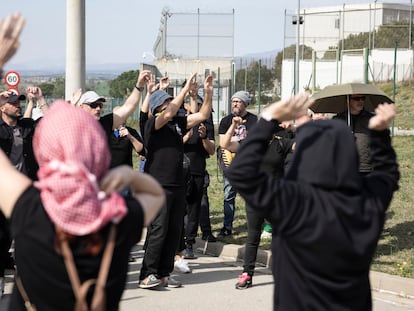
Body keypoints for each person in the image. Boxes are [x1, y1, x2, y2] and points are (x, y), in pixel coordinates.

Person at [225, 93, 400, 310]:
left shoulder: (291, 203)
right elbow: (388, 175)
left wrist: (268, 118)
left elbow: (240, 172)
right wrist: (380, 135)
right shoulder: (365, 203)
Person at [0, 100, 165, 310]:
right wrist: (127, 175)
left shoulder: (27, 207)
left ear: (42, 148)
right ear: (99, 149)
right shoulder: (120, 217)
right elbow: (156, 194)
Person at [139, 73, 213, 289]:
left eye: (170, 101)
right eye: (165, 102)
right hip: (158, 185)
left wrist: (207, 93)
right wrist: (183, 90)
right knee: (158, 230)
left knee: (173, 232)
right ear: (156, 108)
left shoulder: (177, 123)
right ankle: (147, 274)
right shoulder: (153, 124)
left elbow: (202, 115)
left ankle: (163, 274)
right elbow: (170, 111)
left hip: (178, 184)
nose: (171, 105)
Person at [235, 125, 294, 289]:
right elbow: (227, 144)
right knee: (253, 238)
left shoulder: (281, 144)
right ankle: (247, 274)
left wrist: (297, 128)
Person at [0, 11, 25, 300]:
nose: (16, 104)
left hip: (19, 191)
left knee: (14, 235)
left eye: (18, 101)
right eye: (11, 101)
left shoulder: (26, 127)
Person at [217, 90, 257, 237]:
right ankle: (227, 227)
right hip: (230, 165)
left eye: (238, 101)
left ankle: (254, 227)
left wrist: (233, 142)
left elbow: (252, 143)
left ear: (245, 103)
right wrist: (233, 130)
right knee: (228, 195)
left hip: (248, 165)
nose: (234, 103)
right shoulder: (226, 121)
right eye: (233, 101)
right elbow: (223, 143)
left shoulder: (253, 120)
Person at [183, 94, 216, 259]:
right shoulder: (178, 122)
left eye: (195, 102)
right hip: (179, 172)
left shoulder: (205, 124)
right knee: (178, 210)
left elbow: (211, 150)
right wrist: (184, 138)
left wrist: (203, 137)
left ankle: (189, 244)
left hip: (197, 171)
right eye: (188, 102)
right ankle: (176, 244)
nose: (191, 106)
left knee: (194, 210)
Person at [333, 94, 374, 175]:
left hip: (366, 167)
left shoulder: (371, 119)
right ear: (348, 100)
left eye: (363, 98)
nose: (360, 101)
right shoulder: (338, 120)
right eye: (356, 98)